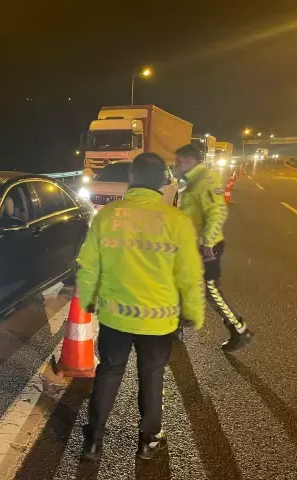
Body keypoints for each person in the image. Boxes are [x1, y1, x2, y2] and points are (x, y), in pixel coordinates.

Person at [77, 153, 205, 461]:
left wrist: (88, 299)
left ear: (132, 178)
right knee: (152, 375)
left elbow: (88, 265)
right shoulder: (177, 222)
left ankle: (94, 439)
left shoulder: (108, 216)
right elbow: (189, 274)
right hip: (158, 322)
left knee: (108, 372)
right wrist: (194, 312)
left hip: (115, 318)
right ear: (162, 180)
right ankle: (148, 439)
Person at [174, 144, 254, 351]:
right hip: (192, 247)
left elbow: (218, 212)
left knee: (211, 291)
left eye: (179, 161)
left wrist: (207, 243)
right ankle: (181, 322)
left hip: (207, 248)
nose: (176, 165)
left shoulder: (205, 180)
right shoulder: (189, 181)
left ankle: (240, 329)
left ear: (190, 161)